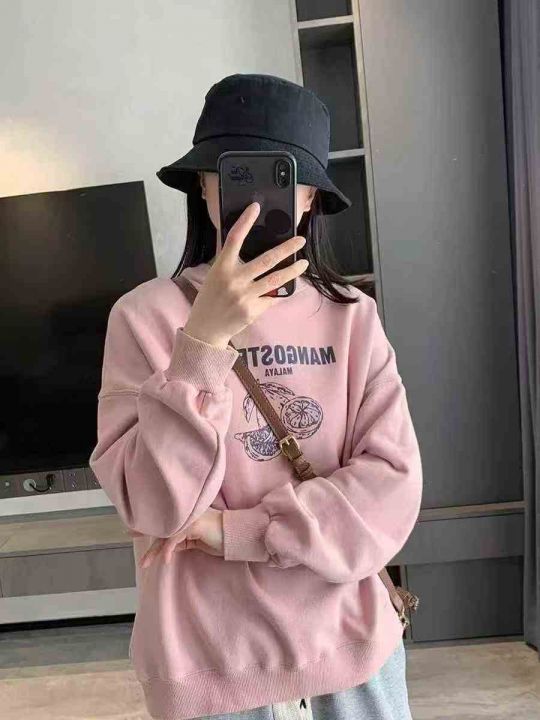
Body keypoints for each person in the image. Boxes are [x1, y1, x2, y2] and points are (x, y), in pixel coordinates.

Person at [89, 73, 423, 720]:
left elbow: (391, 490)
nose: (257, 197)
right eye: (236, 172)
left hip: (354, 653)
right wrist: (202, 343)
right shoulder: (142, 319)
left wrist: (233, 531)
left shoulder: (351, 318)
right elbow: (157, 507)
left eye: (284, 177)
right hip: (212, 671)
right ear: (204, 184)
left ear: (310, 198)